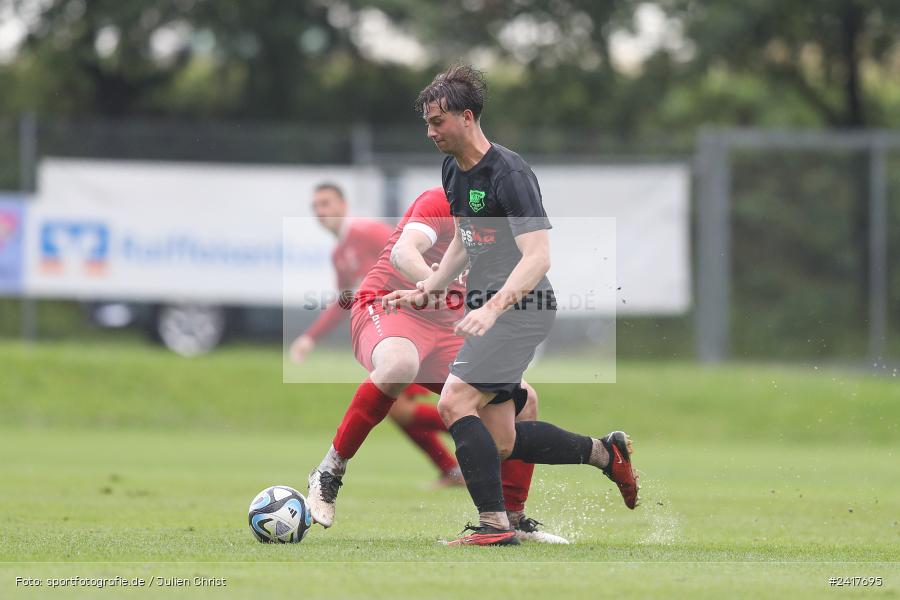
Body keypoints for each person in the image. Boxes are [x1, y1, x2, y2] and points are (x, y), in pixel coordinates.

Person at [386, 65, 639, 546]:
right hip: (492, 308)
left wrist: (492, 308)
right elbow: (465, 240)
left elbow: (538, 256)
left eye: (437, 121)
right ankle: (606, 454)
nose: (430, 131)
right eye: (426, 122)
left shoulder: (510, 172)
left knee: (454, 401)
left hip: (521, 309)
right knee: (500, 441)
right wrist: (429, 288)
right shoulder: (452, 168)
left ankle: (494, 527)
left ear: (467, 116)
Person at [307, 186, 568, 544]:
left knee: (522, 399)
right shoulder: (440, 200)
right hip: (390, 305)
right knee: (399, 365)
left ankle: (512, 519)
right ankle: (329, 471)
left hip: (445, 325)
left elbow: (518, 277)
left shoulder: (499, 228)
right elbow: (403, 251)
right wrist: (432, 286)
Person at [289, 182, 462, 485]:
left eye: (327, 204)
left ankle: (463, 456)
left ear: (344, 205)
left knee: (405, 410)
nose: (321, 212)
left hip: (415, 322)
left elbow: (404, 249)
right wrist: (310, 337)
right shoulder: (340, 253)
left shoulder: (367, 233)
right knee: (401, 410)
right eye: (315, 207)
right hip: (393, 327)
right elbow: (345, 300)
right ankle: (455, 464)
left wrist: (429, 284)